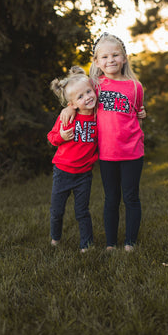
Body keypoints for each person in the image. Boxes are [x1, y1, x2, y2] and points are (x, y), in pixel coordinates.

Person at [61, 33, 145, 252]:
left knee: (131, 197)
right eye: (105, 56)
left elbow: (137, 113)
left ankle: (130, 242)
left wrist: (142, 114)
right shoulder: (95, 85)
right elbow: (77, 95)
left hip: (133, 152)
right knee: (111, 199)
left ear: (124, 58)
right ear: (97, 62)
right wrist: (69, 107)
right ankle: (110, 244)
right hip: (107, 153)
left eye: (115, 55)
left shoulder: (135, 87)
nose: (111, 60)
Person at [47, 66, 98, 253]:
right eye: (80, 97)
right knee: (57, 211)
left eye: (88, 91)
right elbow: (52, 138)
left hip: (84, 174)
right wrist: (61, 135)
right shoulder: (68, 117)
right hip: (62, 171)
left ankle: (86, 245)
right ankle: (55, 239)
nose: (87, 97)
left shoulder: (98, 117)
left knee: (82, 211)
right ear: (72, 104)